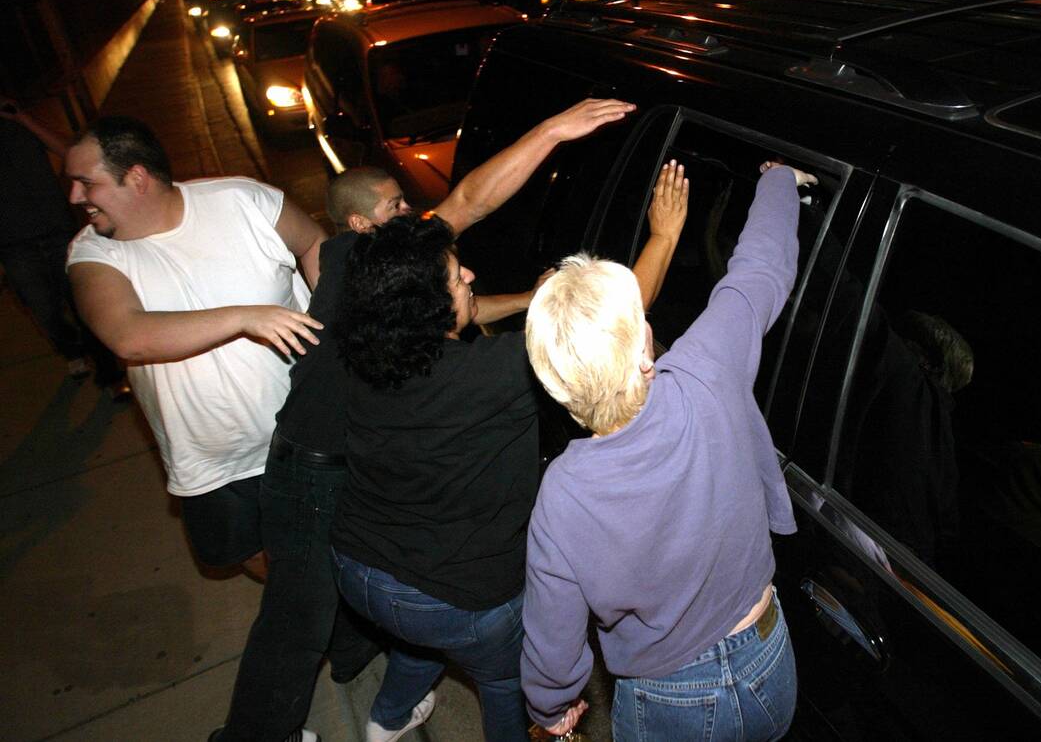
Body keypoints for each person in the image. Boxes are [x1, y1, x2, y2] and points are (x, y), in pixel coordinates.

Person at [217, 99, 638, 742]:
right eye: (397, 210)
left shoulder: (382, 291)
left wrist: (537, 296)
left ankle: (384, 713)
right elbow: (470, 201)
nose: (416, 215)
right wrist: (552, 129)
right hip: (311, 468)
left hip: (368, 522)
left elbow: (452, 309)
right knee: (295, 623)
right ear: (360, 225)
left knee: (408, 593)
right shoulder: (370, 264)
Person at [330, 157, 688, 742]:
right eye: (455, 277)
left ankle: (386, 721)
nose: (469, 275)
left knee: (423, 632)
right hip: (460, 597)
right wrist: (666, 235)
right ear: (428, 309)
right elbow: (608, 325)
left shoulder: (369, 352)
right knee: (502, 681)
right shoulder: (494, 377)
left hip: (361, 568)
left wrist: (534, 299)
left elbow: (472, 312)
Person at [521, 161, 817, 741]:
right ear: (646, 347)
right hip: (770, 661)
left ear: (556, 389)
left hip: (671, 700)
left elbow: (552, 639)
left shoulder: (563, 496)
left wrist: (551, 708)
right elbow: (758, 269)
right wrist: (780, 180)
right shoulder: (706, 369)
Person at [65, 115, 325, 583]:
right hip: (215, 456)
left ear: (136, 177)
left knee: (348, 531)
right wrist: (244, 316)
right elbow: (128, 335)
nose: (75, 197)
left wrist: (335, 321)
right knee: (251, 552)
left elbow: (314, 245)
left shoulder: (243, 200)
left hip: (311, 425)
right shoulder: (92, 255)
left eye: (87, 183)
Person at [0, 96, 125, 393]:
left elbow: (71, 154)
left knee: (85, 304)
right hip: (14, 245)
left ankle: (109, 372)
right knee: (46, 313)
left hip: (59, 233)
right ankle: (71, 349)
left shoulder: (20, 124)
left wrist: (23, 118)